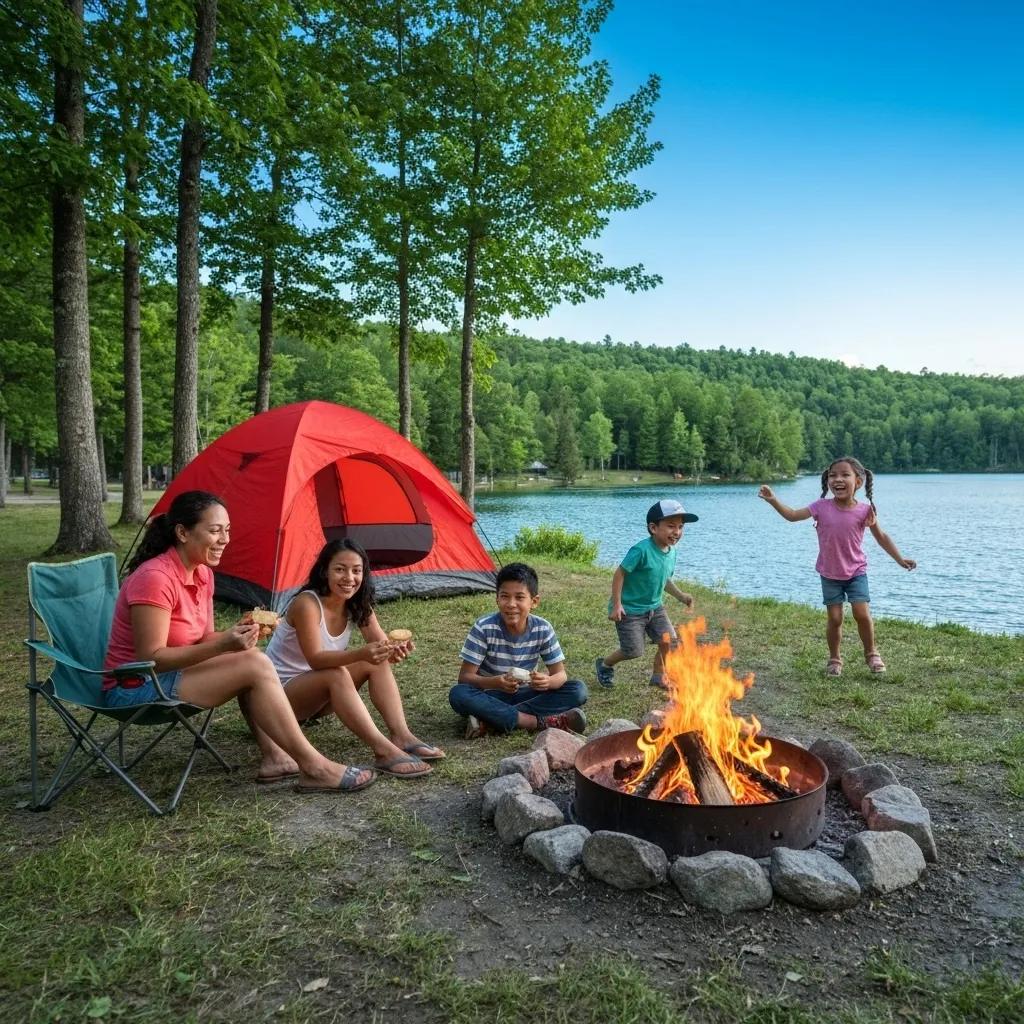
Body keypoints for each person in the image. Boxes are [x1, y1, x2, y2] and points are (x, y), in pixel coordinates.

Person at [104, 491, 376, 794]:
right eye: (215, 530)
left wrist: (238, 635)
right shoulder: (155, 578)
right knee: (253, 664)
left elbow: (203, 636)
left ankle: (275, 758)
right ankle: (314, 767)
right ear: (182, 532)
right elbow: (150, 657)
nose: (224, 539)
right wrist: (224, 647)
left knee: (251, 659)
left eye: (227, 530)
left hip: (167, 676)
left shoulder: (202, 573)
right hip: (133, 687)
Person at [265, 539, 444, 778]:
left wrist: (394, 651)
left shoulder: (358, 603)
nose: (349, 577)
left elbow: (381, 647)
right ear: (324, 570)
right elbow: (316, 659)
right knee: (336, 672)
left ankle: (402, 735)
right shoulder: (307, 604)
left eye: (356, 570)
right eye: (340, 569)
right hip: (281, 698)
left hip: (318, 697)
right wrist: (362, 653)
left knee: (374, 661)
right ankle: (383, 751)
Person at [758, 455, 917, 676]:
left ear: (858, 482)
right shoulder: (820, 507)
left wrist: (900, 559)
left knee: (862, 614)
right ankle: (834, 658)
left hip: (856, 572)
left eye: (845, 475)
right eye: (833, 475)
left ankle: (872, 654)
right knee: (835, 618)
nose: (837, 479)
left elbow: (881, 537)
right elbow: (793, 515)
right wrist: (773, 499)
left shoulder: (864, 511)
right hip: (830, 573)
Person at [449, 562, 588, 738]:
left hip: (528, 694)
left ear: (534, 601)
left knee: (578, 690)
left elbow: (560, 675)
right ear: (497, 599)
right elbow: (465, 678)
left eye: (520, 597)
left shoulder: (542, 628)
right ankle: (539, 722)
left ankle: (490, 720)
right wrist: (496, 682)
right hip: (491, 696)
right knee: (458, 694)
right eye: (505, 596)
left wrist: (547, 681)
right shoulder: (484, 628)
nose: (511, 604)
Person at [595, 499, 697, 690]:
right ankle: (605, 664)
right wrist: (617, 604)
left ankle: (658, 675)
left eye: (681, 527)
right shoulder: (640, 550)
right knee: (633, 650)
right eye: (671, 526)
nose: (677, 532)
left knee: (669, 641)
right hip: (630, 610)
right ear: (653, 527)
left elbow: (663, 579)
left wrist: (681, 596)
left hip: (655, 607)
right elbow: (620, 574)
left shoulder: (671, 552)